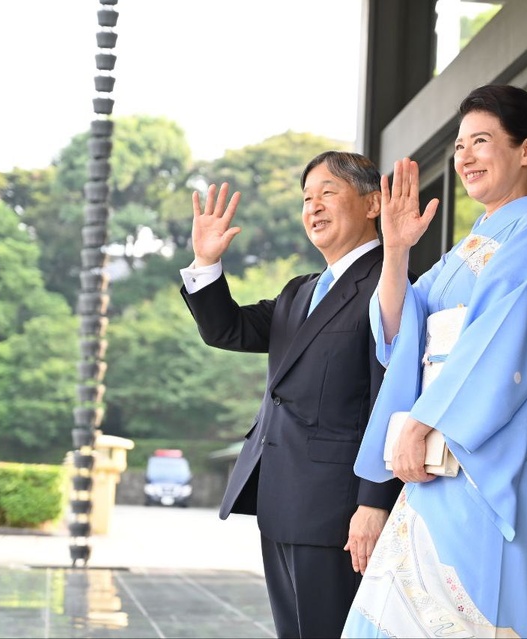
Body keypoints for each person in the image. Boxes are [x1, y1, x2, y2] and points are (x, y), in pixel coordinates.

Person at [344, 84, 527, 638]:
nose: (464, 156)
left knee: (473, 606)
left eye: (481, 141)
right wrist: (396, 249)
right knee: (402, 607)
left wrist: (421, 424)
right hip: (443, 449)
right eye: (459, 144)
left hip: (489, 451)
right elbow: (402, 330)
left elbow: (500, 342)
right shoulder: (468, 248)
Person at [180, 151, 403, 638]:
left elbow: (391, 399)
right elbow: (228, 329)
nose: (314, 207)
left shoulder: (389, 285)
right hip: (281, 500)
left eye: (328, 193)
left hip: (341, 514)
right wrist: (206, 262)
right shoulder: (299, 291)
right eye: (307, 197)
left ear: (372, 205)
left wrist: (375, 502)